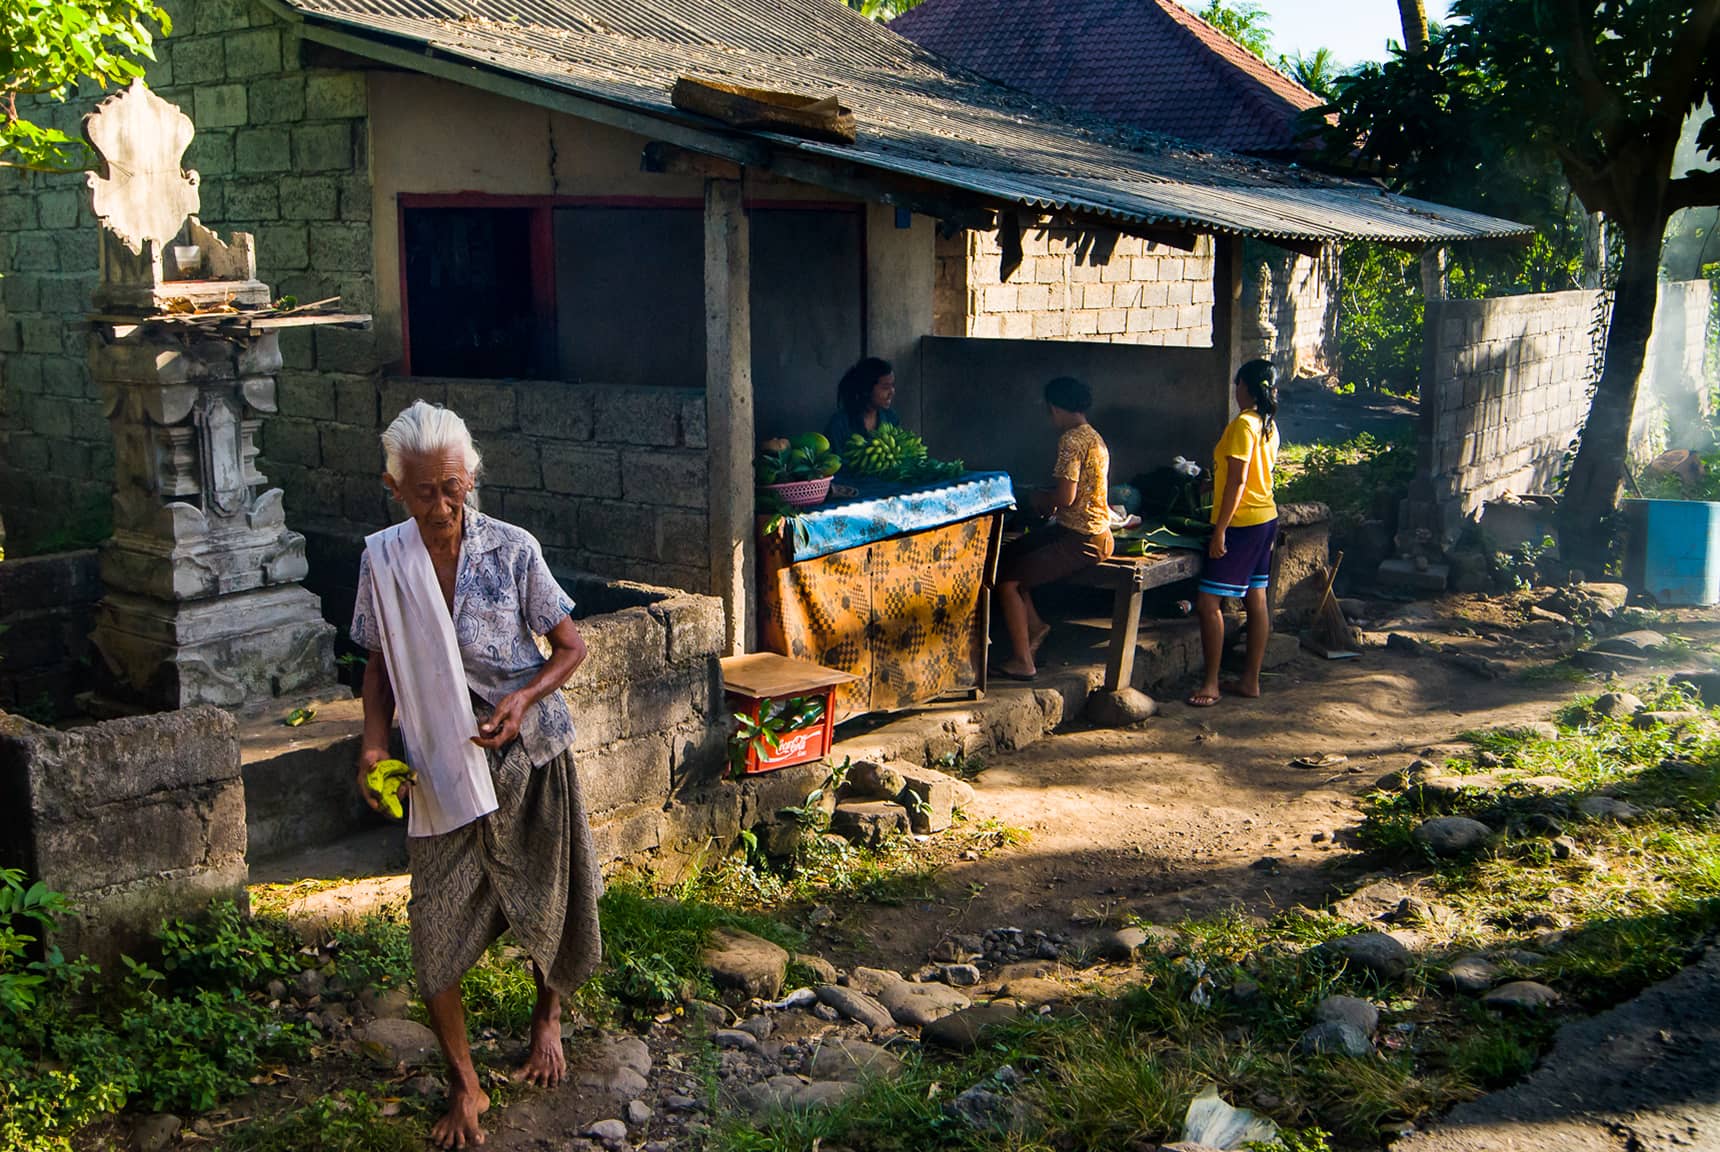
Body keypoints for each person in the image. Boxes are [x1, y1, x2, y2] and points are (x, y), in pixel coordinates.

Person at [350, 401, 602, 1149]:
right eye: (423, 491)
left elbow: (571, 646)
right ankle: (466, 1082)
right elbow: (376, 666)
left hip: (529, 752)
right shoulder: (383, 561)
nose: (440, 505)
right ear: (394, 487)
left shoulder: (513, 549)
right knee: (433, 926)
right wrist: (371, 747)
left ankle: (547, 1017)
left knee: (547, 892)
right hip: (439, 760)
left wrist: (523, 699)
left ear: (471, 480)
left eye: (452, 487)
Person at [992, 376, 1113, 681]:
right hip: (1093, 532)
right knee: (1012, 556)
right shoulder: (1094, 436)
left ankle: (1023, 661)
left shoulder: (1070, 440)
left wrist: (1037, 498)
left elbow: (1064, 497)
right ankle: (1035, 627)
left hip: (1082, 539)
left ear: (1055, 408)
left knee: (1007, 583)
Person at [1187, 359, 1282, 708]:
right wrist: (1214, 482)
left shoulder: (1243, 424)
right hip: (1265, 517)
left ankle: (1210, 682)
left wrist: (1220, 530)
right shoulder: (1267, 424)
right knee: (1256, 600)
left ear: (1245, 386)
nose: (1235, 390)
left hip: (1242, 523)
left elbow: (1240, 480)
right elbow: (1250, 474)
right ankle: (1250, 680)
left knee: (1208, 602)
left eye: (1236, 384)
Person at [825, 356, 899, 447]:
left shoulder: (891, 418)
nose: (892, 392)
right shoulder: (840, 424)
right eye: (885, 387)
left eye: (892, 386)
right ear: (866, 389)